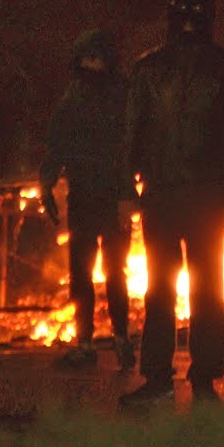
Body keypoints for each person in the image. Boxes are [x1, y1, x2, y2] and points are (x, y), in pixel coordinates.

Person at [118, 0, 224, 406]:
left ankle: (199, 379)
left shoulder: (223, 69)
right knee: (164, 290)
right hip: (166, 195)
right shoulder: (151, 69)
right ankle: (165, 379)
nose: (190, 22)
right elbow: (131, 132)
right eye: (186, 13)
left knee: (203, 289)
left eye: (196, 13)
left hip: (202, 195)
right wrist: (126, 189)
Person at [41, 29, 136, 370]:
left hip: (113, 198)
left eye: (97, 58)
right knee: (80, 273)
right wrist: (47, 182)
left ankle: (121, 338)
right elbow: (58, 142)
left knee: (115, 272)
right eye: (87, 58)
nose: (92, 64)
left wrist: (127, 197)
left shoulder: (123, 97)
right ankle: (85, 344)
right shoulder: (74, 97)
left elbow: (130, 149)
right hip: (82, 197)